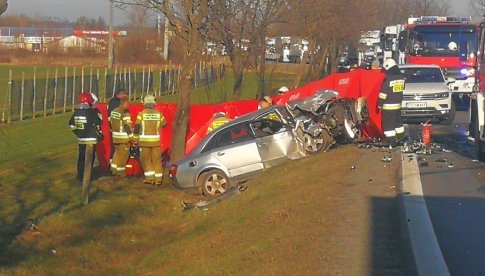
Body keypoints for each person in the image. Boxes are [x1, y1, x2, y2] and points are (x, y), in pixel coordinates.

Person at [69, 91, 103, 182]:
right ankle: (87, 177)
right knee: (89, 159)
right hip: (91, 140)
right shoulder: (90, 112)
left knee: (81, 157)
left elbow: (72, 125)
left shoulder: (76, 113)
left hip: (81, 139)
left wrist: (79, 133)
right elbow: (98, 121)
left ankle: (80, 176)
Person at [133, 95, 167, 185]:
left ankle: (150, 178)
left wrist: (135, 140)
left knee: (145, 160)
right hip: (156, 142)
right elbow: (164, 124)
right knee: (157, 160)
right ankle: (158, 179)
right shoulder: (159, 114)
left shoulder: (141, 114)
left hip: (144, 142)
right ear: (153, 103)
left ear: (145, 103)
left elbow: (136, 128)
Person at [377, 58, 405, 147]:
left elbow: (383, 93)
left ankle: (391, 141)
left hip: (388, 106)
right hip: (398, 105)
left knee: (388, 124)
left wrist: (379, 104)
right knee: (398, 123)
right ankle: (401, 139)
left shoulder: (389, 78)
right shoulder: (401, 78)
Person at [109, 98, 133, 177]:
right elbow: (126, 126)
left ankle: (113, 170)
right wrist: (131, 136)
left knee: (117, 153)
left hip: (115, 137)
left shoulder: (114, 111)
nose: (129, 106)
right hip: (123, 139)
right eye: (128, 104)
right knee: (123, 156)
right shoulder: (125, 113)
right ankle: (120, 173)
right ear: (124, 104)